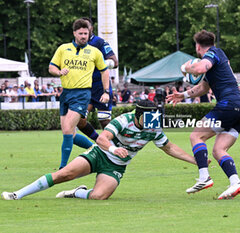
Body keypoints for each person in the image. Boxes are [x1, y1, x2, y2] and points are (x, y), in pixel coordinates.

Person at [1, 100, 198, 200]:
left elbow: (169, 147)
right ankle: (18, 194)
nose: (151, 123)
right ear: (138, 115)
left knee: (99, 197)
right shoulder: (123, 120)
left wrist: (194, 161)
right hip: (99, 154)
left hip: (117, 167)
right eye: (147, 118)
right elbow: (102, 138)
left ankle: (76, 193)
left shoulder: (153, 126)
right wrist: (113, 149)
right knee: (64, 174)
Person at [167, 30, 240, 200]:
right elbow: (203, 88)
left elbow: (199, 67)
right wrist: (182, 96)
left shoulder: (213, 53)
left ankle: (204, 177)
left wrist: (186, 67)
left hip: (228, 105)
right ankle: (236, 182)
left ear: (198, 47)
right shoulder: (218, 58)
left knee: (196, 136)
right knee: (219, 150)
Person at [48, 18, 110, 169]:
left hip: (82, 95)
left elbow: (105, 71)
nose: (84, 36)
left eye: (86, 33)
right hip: (66, 94)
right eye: (81, 33)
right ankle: (98, 151)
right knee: (70, 135)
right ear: (74, 33)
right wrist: (59, 72)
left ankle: (63, 168)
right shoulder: (63, 48)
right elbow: (51, 67)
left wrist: (106, 91)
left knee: (69, 128)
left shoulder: (94, 52)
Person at [76, 17, 118, 143]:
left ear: (91, 29)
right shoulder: (74, 46)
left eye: (86, 29)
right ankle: (98, 141)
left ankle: (115, 146)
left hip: (100, 87)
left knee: (104, 121)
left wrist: (97, 63)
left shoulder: (99, 42)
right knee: (79, 120)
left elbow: (114, 62)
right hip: (84, 88)